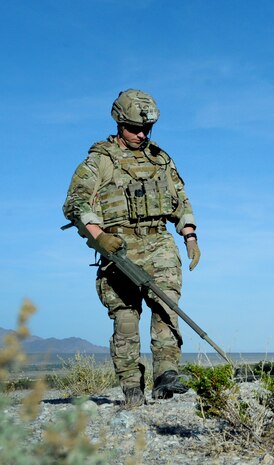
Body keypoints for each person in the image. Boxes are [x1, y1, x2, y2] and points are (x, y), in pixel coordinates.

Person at [63, 89, 201, 408]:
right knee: (126, 318)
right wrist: (99, 236)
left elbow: (181, 200)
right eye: (133, 128)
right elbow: (75, 202)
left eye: (145, 129)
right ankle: (131, 385)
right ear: (119, 123)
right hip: (119, 246)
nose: (140, 134)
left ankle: (167, 375)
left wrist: (190, 235)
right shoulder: (101, 160)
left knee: (167, 305)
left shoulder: (160, 159)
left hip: (159, 241)